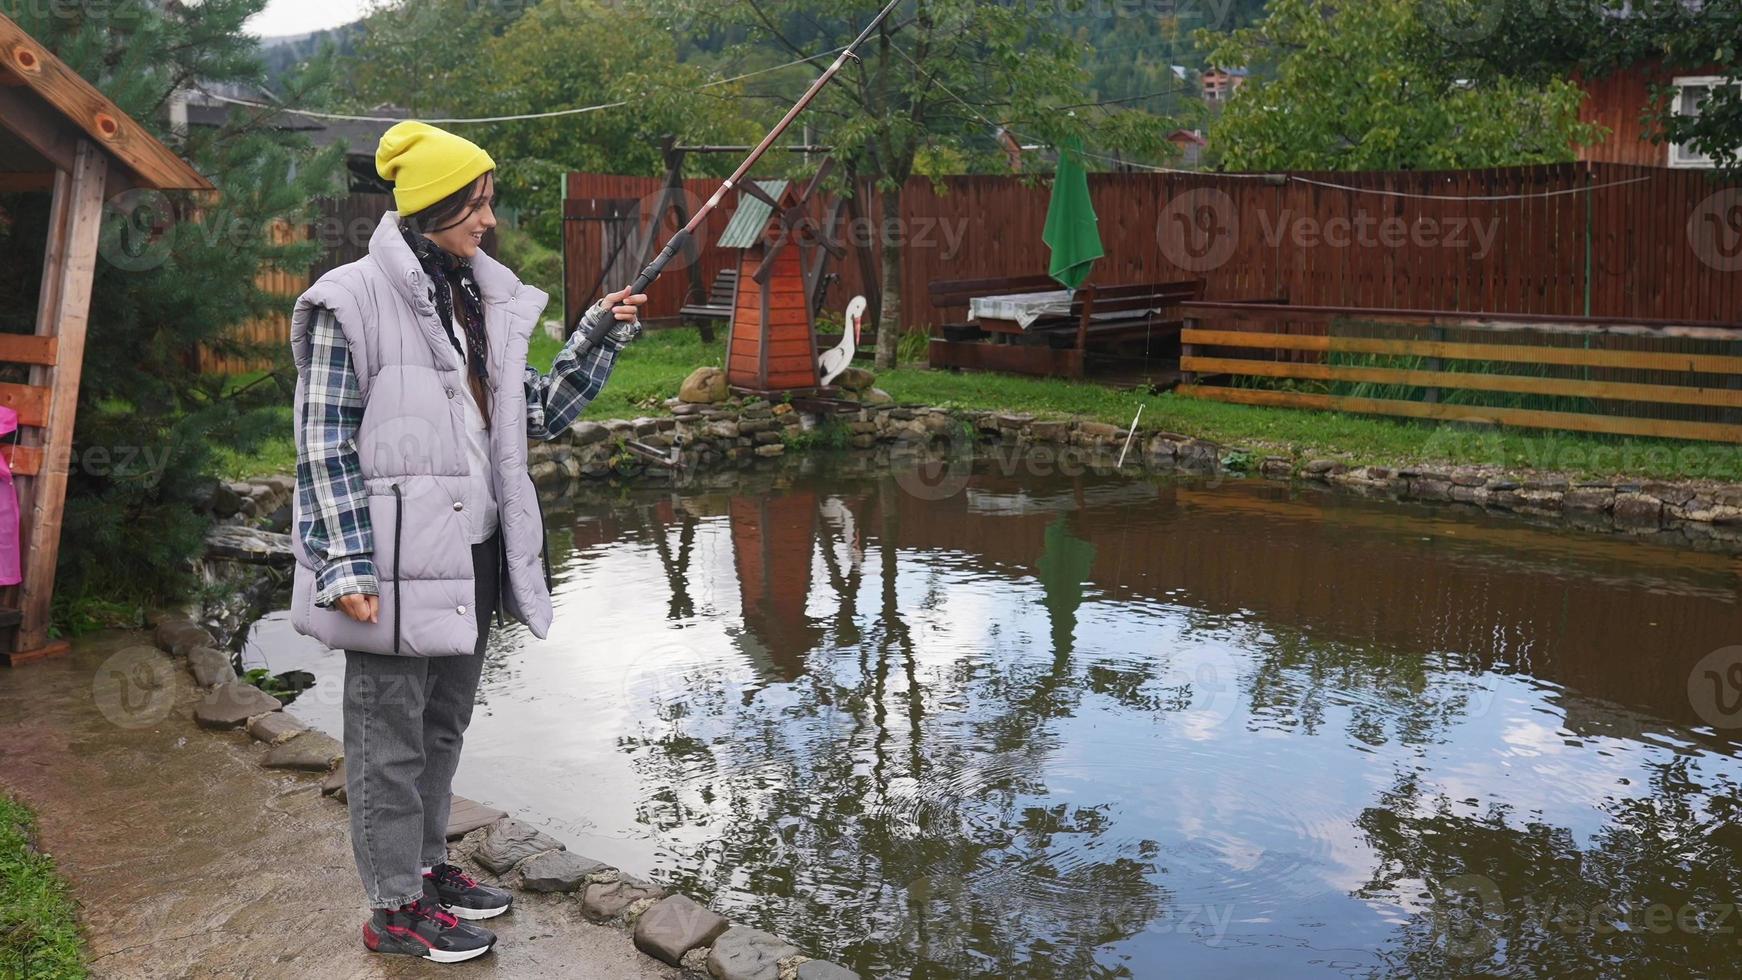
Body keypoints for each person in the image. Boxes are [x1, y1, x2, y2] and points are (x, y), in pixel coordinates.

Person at [287, 121, 647, 963]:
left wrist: (595, 336)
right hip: (385, 566)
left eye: (489, 200)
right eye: (474, 204)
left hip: (472, 552)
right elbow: (320, 444)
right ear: (428, 208)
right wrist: (344, 562)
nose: (489, 219)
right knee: (387, 740)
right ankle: (392, 909)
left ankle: (425, 865)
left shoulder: (476, 298)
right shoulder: (350, 300)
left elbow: (533, 417)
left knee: (443, 724)